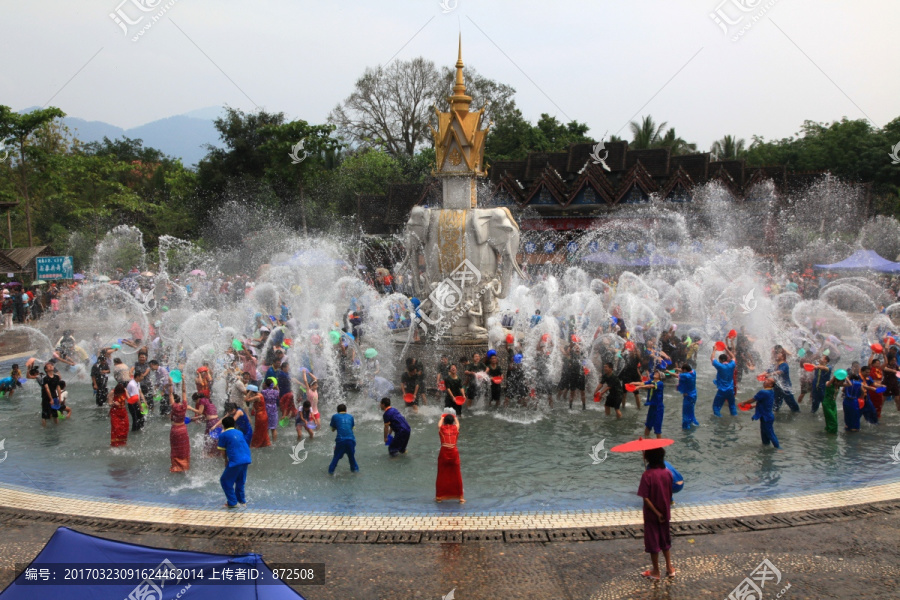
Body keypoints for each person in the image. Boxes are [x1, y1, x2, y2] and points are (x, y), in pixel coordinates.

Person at [638, 447, 675, 580]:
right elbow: (670, 492)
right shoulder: (668, 473)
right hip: (665, 512)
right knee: (665, 539)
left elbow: (645, 497)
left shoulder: (646, 475)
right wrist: (662, 512)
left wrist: (656, 513)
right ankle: (670, 568)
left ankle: (656, 571)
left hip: (652, 515)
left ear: (648, 459)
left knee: (653, 541)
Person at [217, 416, 252, 509]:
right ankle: (242, 501)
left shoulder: (223, 435)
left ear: (223, 425)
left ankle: (232, 502)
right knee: (240, 481)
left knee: (224, 480)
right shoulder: (239, 432)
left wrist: (225, 461)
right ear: (234, 424)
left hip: (236, 460)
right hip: (246, 458)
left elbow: (223, 451)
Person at [169, 379, 201, 472]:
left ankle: (176, 466)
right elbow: (184, 391)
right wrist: (183, 380)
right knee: (184, 448)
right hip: (183, 429)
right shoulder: (184, 406)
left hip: (175, 429)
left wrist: (170, 382)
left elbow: (170, 394)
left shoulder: (173, 407)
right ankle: (185, 466)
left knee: (175, 448)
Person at [435, 410, 464, 503]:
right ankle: (461, 498)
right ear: (452, 421)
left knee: (441, 474)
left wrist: (442, 417)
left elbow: (439, 425)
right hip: (454, 452)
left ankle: (439, 497)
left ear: (444, 421)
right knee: (457, 474)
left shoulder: (442, 428)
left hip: (444, 452)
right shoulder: (455, 428)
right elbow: (458, 423)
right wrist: (455, 417)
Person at [744, 378, 780, 449]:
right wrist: (754, 406)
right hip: (765, 417)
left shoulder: (763, 392)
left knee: (770, 433)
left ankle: (778, 448)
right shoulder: (771, 391)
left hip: (766, 417)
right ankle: (766, 446)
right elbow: (765, 403)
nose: (765, 381)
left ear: (771, 384)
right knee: (764, 434)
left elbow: (753, 399)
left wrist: (743, 403)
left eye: (768, 380)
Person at [328, 404, 359, 474]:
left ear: (337, 411)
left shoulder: (335, 416)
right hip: (351, 440)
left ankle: (330, 473)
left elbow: (332, 429)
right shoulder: (351, 417)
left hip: (341, 441)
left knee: (335, 459)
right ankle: (356, 472)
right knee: (352, 460)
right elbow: (352, 428)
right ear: (346, 410)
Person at [636, 370, 665, 439]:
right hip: (652, 407)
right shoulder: (651, 381)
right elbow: (642, 383)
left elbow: (650, 386)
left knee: (657, 428)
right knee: (648, 425)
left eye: (657, 373)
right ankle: (646, 440)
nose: (655, 373)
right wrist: (632, 383)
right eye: (655, 372)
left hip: (658, 408)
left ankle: (659, 445)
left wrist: (639, 387)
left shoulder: (660, 383)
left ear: (660, 377)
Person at [711, 346, 737, 417]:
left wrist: (714, 350)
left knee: (716, 407)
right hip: (731, 389)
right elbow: (733, 357)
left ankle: (719, 419)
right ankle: (735, 416)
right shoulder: (732, 365)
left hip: (722, 390)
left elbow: (712, 359)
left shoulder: (720, 366)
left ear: (720, 360)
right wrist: (726, 349)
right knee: (732, 406)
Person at [676, 364, 698, 430]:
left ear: (685, 370)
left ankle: (686, 427)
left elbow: (677, 375)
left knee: (685, 412)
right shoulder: (693, 372)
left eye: (682, 370)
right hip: (694, 395)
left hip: (688, 396)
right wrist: (679, 369)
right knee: (691, 411)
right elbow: (685, 372)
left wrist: (668, 372)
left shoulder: (685, 375)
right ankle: (693, 423)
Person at [40, 362, 62, 427]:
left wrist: (60, 398)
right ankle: (44, 427)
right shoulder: (45, 378)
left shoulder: (56, 377)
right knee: (45, 415)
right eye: (48, 366)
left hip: (54, 396)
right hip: (46, 397)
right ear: (46, 370)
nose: (51, 366)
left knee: (55, 414)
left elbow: (58, 387)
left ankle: (57, 426)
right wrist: (51, 399)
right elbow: (47, 388)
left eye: (51, 365)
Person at [108, 382, 129, 447]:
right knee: (116, 428)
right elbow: (109, 403)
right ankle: (114, 444)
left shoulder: (124, 391)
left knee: (125, 427)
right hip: (115, 413)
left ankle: (123, 443)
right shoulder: (112, 392)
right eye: (119, 393)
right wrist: (114, 403)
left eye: (121, 393)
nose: (120, 394)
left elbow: (128, 399)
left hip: (123, 412)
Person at [261, 377, 280, 442]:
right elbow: (278, 392)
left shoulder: (263, 392)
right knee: (273, 428)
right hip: (274, 409)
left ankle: (267, 442)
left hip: (266, 409)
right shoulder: (276, 392)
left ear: (266, 384)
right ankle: (274, 442)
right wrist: (276, 387)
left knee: (266, 427)